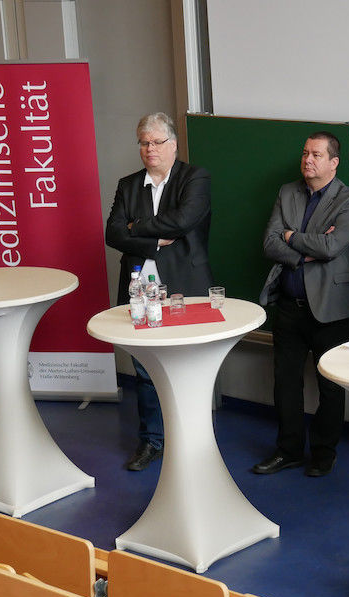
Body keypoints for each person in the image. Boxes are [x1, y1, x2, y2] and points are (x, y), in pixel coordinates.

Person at [105, 112, 213, 471]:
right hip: (139, 286)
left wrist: (136, 227)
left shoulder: (194, 177)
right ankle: (152, 441)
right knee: (145, 368)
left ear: (173, 144)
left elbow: (184, 220)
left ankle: (190, 439)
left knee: (186, 364)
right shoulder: (128, 184)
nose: (149, 149)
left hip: (184, 286)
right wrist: (153, 240)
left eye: (156, 142)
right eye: (143, 143)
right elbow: (113, 234)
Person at [254, 131, 349, 477]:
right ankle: (288, 450)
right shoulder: (288, 192)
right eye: (305, 153)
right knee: (285, 382)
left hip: (331, 308)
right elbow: (269, 243)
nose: (307, 160)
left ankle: (323, 452)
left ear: (334, 162)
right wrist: (306, 252)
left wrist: (292, 236)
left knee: (330, 386)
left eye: (316, 155)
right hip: (288, 304)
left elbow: (332, 248)